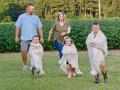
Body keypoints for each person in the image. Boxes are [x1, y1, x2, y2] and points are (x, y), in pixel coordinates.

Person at [15, 4, 44, 71]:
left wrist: (41, 37)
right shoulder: (21, 17)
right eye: (32, 9)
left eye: (33, 9)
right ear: (27, 9)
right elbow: (17, 27)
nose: (33, 10)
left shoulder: (36, 17)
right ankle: (25, 64)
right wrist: (16, 36)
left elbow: (39, 28)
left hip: (34, 39)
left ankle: (35, 65)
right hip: (24, 38)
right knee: (23, 51)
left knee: (35, 53)